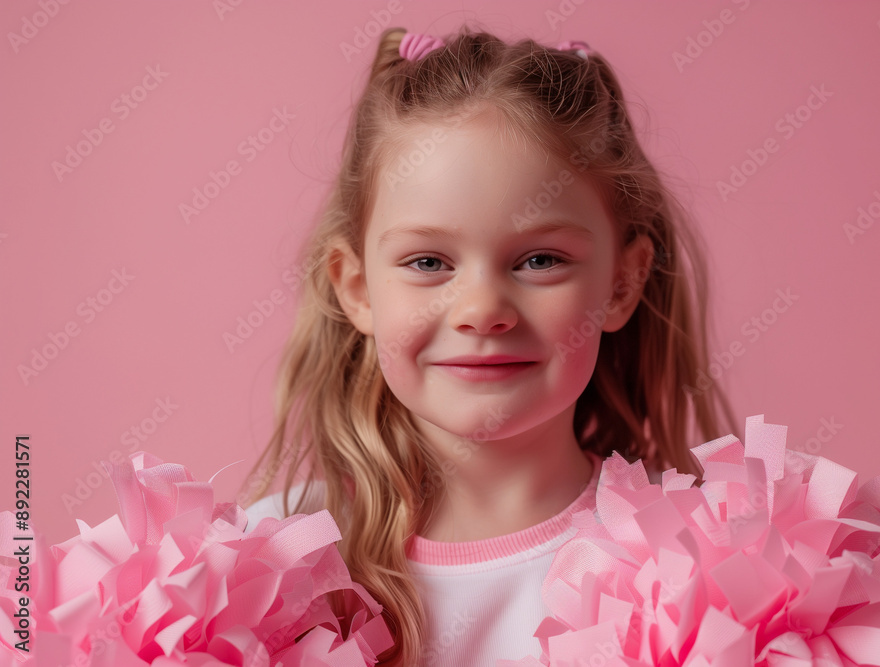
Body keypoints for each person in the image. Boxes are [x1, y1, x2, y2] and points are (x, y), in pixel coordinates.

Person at [243, 24, 737, 667]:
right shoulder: (265, 563)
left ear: (621, 283)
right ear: (358, 289)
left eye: (539, 259)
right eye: (427, 263)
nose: (481, 311)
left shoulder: (703, 571)